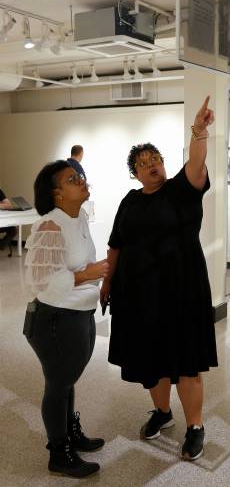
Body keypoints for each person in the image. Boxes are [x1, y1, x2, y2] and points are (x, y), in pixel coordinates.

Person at [100, 96, 218, 461]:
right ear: (134, 174)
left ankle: (195, 425)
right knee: (152, 360)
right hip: (139, 295)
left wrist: (199, 131)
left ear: (164, 164)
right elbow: (116, 244)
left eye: (155, 160)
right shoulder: (130, 201)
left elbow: (197, 164)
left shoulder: (182, 191)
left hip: (183, 291)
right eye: (142, 163)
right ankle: (163, 413)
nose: (151, 165)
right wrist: (107, 283)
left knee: (186, 361)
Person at [23, 160, 109, 478]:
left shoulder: (79, 217)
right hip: (55, 319)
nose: (82, 180)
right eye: (73, 179)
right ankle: (59, 453)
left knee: (67, 380)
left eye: (80, 176)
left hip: (78, 313)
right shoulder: (50, 226)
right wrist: (90, 273)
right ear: (57, 194)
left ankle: (70, 433)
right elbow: (41, 280)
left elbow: (81, 264)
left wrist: (97, 279)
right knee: (58, 385)